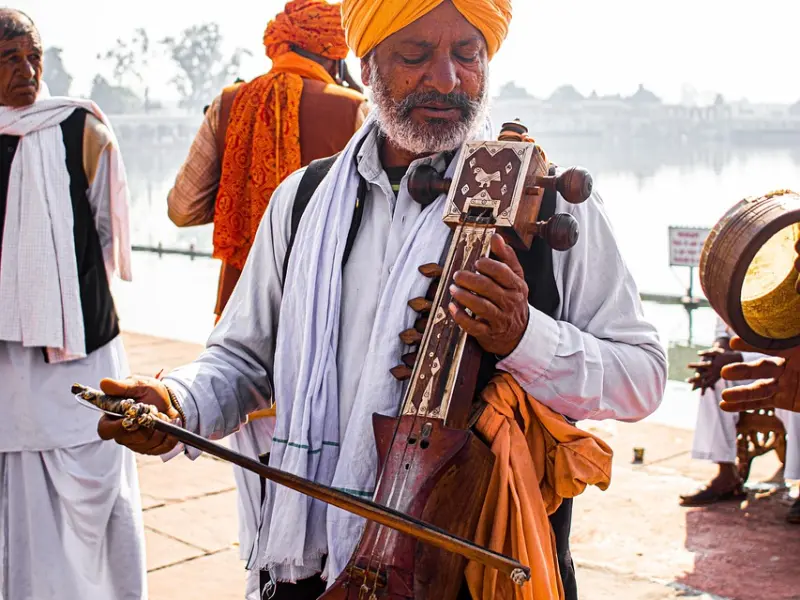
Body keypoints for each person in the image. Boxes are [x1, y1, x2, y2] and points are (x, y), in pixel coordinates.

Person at [98, 1, 667, 598]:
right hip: (309, 570)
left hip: (478, 570)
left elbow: (644, 376)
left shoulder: (547, 199)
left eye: (467, 55)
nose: (445, 80)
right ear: (366, 65)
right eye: (416, 56)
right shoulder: (303, 199)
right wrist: (174, 401)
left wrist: (524, 338)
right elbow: (243, 361)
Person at [165, 2, 368, 597]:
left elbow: (181, 208)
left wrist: (235, 153)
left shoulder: (231, 104)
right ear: (337, 46)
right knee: (336, 506)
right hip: (330, 344)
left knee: (260, 502)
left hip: (244, 334)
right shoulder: (354, 111)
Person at [0, 9, 146, 600]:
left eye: (33, 56)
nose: (27, 70)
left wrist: (54, 296)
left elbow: (109, 231)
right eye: (9, 59)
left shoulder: (80, 127)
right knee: (20, 483)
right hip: (9, 361)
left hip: (80, 346)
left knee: (96, 470)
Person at [680, 317, 800, 523]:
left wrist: (737, 357)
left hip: (786, 359)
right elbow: (723, 332)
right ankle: (726, 474)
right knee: (713, 380)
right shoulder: (724, 286)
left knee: (797, 391)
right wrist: (718, 355)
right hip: (741, 358)